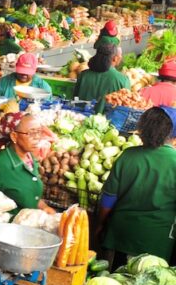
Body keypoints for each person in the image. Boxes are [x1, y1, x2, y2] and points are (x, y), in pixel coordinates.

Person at [98, 107, 176, 263]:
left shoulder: (128, 156)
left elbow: (108, 200)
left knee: (112, 282)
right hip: (158, 241)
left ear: (141, 129)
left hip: (120, 236)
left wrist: (99, 224)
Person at [0, 113, 54, 214]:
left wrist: (44, 208)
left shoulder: (30, 158)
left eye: (39, 132)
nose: (37, 137)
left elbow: (30, 195)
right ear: (14, 136)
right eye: (31, 133)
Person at [75, 44, 130, 109]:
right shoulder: (123, 80)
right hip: (108, 118)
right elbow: (126, 105)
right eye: (120, 55)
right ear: (115, 58)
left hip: (80, 116)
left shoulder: (83, 75)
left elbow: (75, 99)